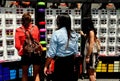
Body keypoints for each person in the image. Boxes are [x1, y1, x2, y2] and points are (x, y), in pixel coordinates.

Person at [44, 13, 81, 81]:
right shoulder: (74, 34)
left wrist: (46, 65)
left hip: (60, 62)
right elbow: (76, 52)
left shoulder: (56, 33)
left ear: (59, 22)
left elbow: (51, 53)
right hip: (71, 62)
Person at [15, 12, 43, 81]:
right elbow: (38, 40)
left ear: (22, 20)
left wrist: (22, 51)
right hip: (36, 53)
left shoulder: (18, 30)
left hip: (25, 54)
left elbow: (17, 45)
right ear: (31, 20)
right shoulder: (35, 28)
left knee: (24, 74)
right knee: (36, 74)